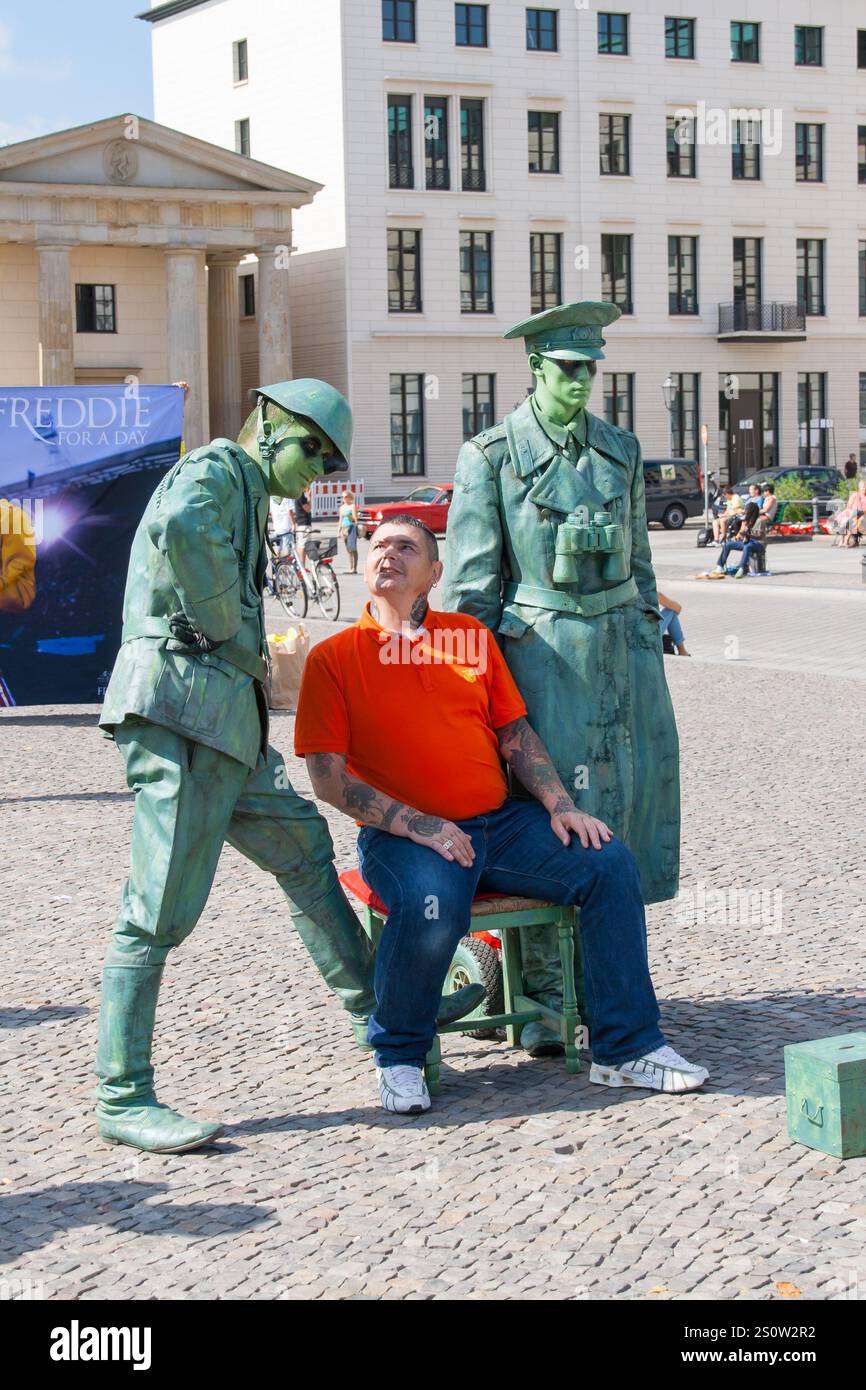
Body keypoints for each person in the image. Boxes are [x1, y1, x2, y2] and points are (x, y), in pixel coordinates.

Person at [95, 379, 483, 1155]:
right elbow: (180, 531)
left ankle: (381, 1013)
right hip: (179, 717)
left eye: (331, 457)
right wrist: (232, 636)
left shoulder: (243, 489)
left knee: (306, 852)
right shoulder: (211, 471)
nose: (320, 468)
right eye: (313, 449)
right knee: (160, 904)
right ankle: (123, 1093)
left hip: (224, 727)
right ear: (269, 421)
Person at [295, 516, 709, 1114]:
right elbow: (328, 780)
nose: (387, 553)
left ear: (433, 573)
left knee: (608, 862)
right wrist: (422, 826)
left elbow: (514, 733)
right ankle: (401, 1055)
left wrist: (562, 806)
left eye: (405, 547)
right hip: (405, 837)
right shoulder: (335, 657)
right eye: (379, 546)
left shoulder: (467, 638)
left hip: (501, 823)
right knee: (432, 905)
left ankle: (626, 1051)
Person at [441, 301, 681, 1058]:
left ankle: (606, 985)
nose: (581, 383)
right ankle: (542, 1001)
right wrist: (465, 692)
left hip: (621, 660)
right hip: (539, 660)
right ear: (536, 368)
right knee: (555, 814)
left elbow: (640, 564)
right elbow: (472, 593)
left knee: (626, 813)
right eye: (568, 369)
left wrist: (647, 630)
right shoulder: (491, 457)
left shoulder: (620, 450)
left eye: (590, 369)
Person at [713, 500, 763, 577]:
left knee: (747, 546)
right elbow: (740, 536)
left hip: (758, 543)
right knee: (728, 544)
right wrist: (736, 536)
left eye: (746, 510)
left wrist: (748, 535)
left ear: (751, 511)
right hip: (747, 542)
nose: (744, 512)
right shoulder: (745, 521)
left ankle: (741, 568)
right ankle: (719, 567)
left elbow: (760, 537)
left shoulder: (759, 521)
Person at [656, 590, 690, 656]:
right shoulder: (649, 591)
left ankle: (682, 651)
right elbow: (678, 608)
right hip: (647, 636)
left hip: (631, 635)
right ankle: (682, 651)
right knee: (671, 611)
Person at [338, 488, 359, 574]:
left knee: (353, 548)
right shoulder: (342, 507)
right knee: (348, 549)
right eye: (343, 497)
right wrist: (338, 531)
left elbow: (355, 518)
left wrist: (354, 521)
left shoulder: (352, 506)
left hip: (351, 528)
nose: (344, 498)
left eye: (346, 497)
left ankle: (354, 568)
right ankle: (351, 567)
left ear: (350, 497)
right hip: (344, 528)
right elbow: (340, 520)